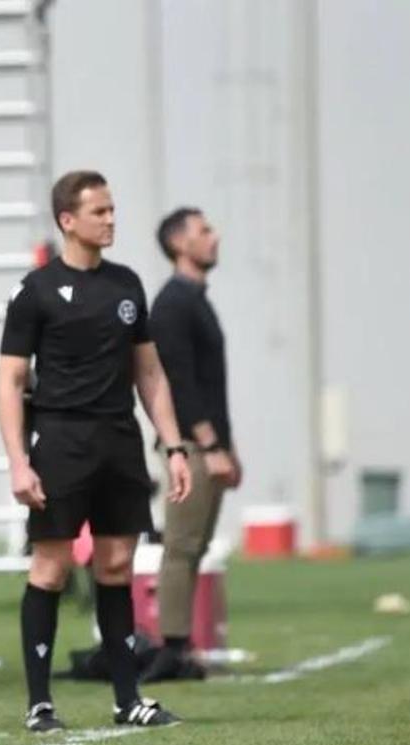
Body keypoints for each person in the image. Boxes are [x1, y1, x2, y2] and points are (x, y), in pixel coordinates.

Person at [0, 170, 193, 733]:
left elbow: (150, 374)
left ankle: (128, 698)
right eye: (99, 212)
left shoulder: (127, 285)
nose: (110, 220)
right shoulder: (34, 291)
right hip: (60, 443)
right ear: (68, 220)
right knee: (52, 566)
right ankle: (40, 704)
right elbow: (10, 382)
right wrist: (18, 459)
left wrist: (172, 445)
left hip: (119, 442)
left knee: (115, 565)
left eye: (112, 210)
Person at [142, 207, 242, 682]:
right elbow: (180, 382)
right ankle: (172, 647)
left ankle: (180, 646)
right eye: (205, 230)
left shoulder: (196, 298)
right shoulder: (173, 304)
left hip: (208, 443)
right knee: (180, 546)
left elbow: (210, 384)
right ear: (180, 244)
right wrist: (210, 445)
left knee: (195, 546)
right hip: (189, 446)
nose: (214, 236)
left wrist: (229, 446)